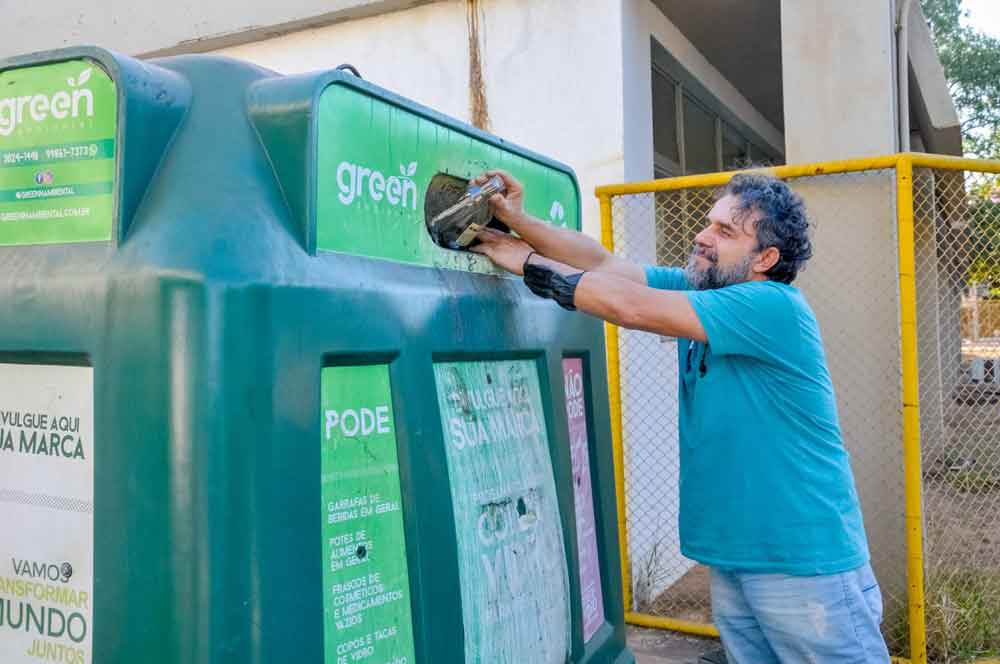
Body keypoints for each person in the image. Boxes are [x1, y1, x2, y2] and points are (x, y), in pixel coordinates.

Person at [470, 170, 891, 664]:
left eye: (725, 232)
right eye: (709, 223)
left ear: (766, 259)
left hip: (801, 563)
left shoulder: (772, 306)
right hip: (736, 557)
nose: (702, 235)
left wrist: (523, 260)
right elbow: (601, 263)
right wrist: (517, 222)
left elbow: (629, 305)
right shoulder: (702, 295)